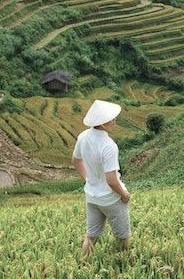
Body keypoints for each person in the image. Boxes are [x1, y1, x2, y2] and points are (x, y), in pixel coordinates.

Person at [71, 100, 131, 256]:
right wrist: (124, 195)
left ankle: (82, 265)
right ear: (103, 123)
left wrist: (88, 179)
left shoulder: (83, 136)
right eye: (111, 118)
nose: (114, 120)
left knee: (91, 235)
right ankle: (123, 263)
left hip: (92, 197)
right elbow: (111, 180)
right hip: (111, 198)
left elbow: (76, 161)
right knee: (123, 236)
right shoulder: (108, 145)